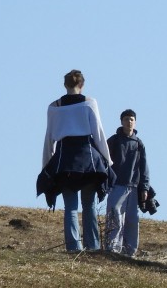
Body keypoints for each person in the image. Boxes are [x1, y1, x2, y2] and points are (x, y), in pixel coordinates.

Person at [37, 70, 114, 253]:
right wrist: (108, 161)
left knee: (70, 207)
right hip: (88, 159)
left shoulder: (54, 107)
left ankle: (73, 247)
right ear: (82, 85)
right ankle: (92, 246)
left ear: (65, 85)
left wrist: (46, 165)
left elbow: (49, 138)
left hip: (65, 161)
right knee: (89, 205)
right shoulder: (90, 103)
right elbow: (99, 133)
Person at [104, 109, 151, 256]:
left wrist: (144, 187)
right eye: (126, 119)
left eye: (131, 119)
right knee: (115, 216)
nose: (129, 122)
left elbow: (144, 167)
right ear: (121, 121)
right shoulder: (113, 141)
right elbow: (105, 162)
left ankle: (129, 251)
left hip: (134, 187)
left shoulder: (139, 144)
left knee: (132, 220)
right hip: (117, 185)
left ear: (135, 122)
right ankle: (112, 248)